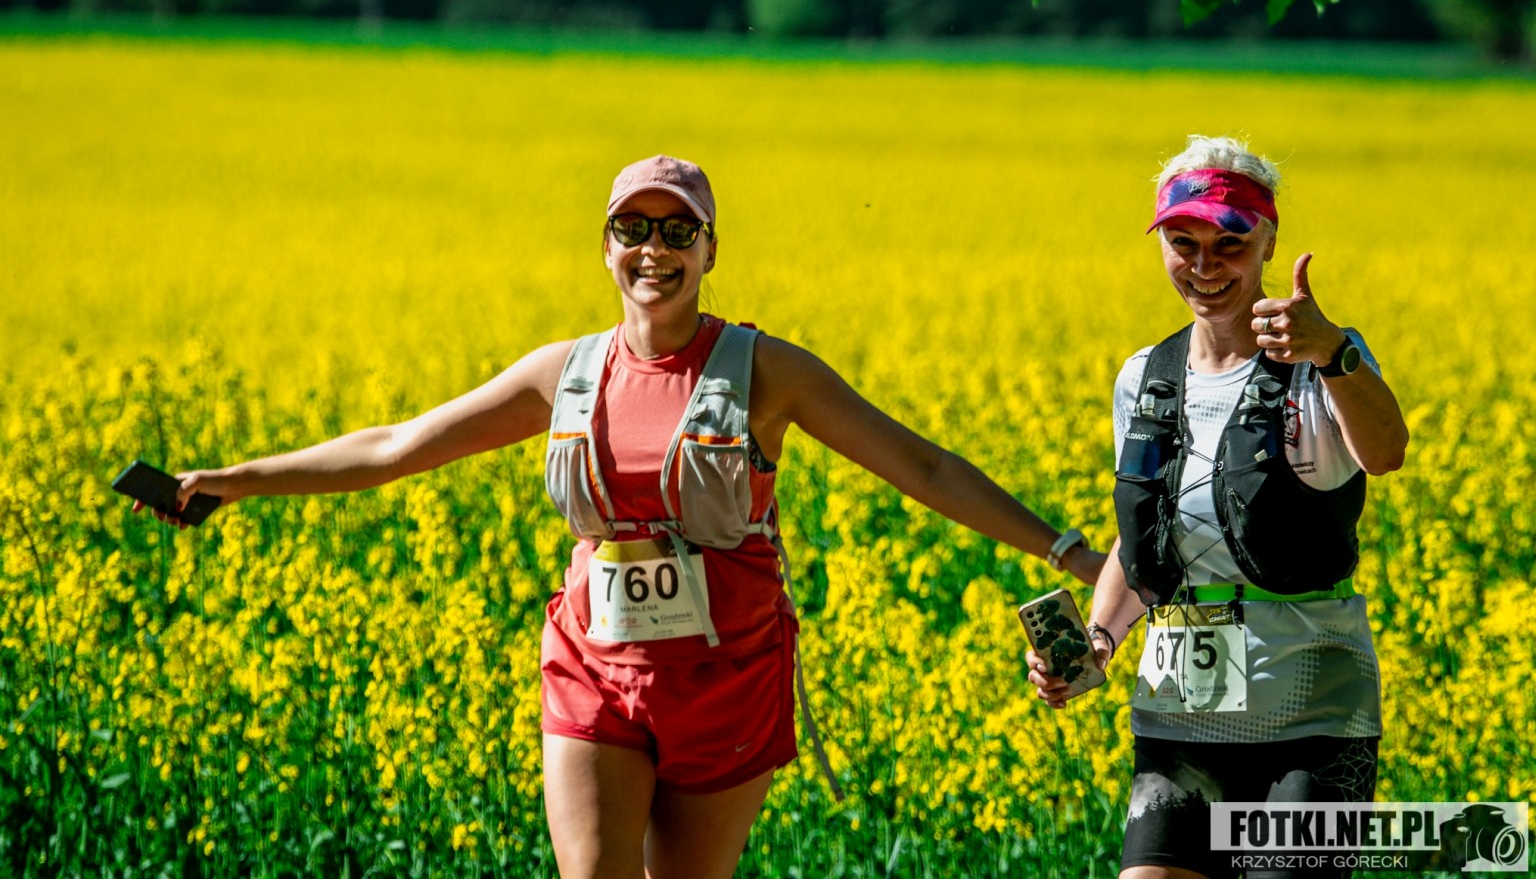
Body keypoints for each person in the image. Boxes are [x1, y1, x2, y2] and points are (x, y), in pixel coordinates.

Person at [138, 154, 1105, 879]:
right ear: (605, 247)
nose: (655, 251)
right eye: (633, 229)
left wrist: (1069, 551)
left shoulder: (766, 371)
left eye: (679, 233)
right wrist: (232, 480)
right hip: (594, 669)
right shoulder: (562, 372)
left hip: (727, 676)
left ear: (711, 250)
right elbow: (398, 447)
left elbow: (922, 466)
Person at [1027, 136, 1409, 879]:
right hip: (1179, 715)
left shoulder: (1324, 360)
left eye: (1229, 243)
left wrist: (1332, 352)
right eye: (1183, 243)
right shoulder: (1144, 375)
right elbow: (1146, 538)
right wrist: (1098, 640)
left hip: (1311, 718)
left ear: (1268, 241)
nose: (1204, 266)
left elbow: (1386, 451)